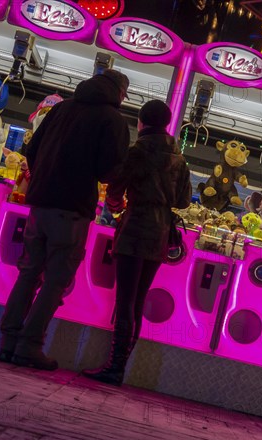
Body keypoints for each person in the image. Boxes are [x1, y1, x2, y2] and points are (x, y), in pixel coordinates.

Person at [0, 69, 130, 370]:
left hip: (40, 205)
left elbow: (31, 151)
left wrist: (47, 177)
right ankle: (29, 346)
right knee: (56, 280)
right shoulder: (113, 120)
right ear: (119, 93)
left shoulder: (61, 108)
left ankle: (7, 342)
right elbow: (110, 171)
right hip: (71, 211)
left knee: (28, 273)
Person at [82, 99, 192, 386]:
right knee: (138, 300)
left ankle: (115, 368)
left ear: (142, 123)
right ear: (166, 124)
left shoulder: (138, 151)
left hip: (135, 227)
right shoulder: (180, 159)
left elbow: (115, 189)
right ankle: (121, 365)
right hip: (160, 233)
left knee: (125, 300)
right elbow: (182, 200)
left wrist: (116, 204)